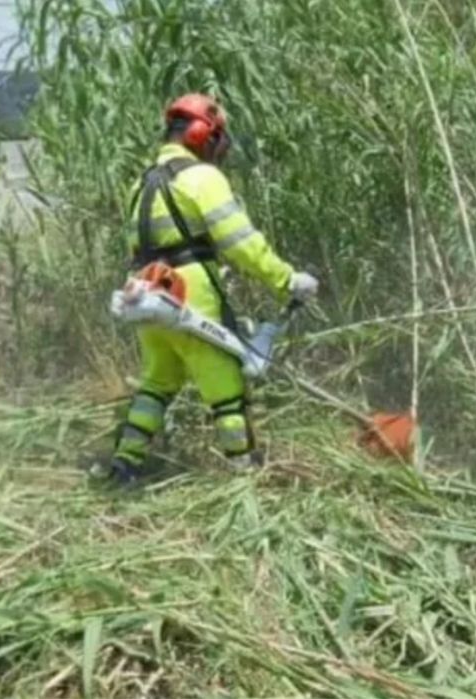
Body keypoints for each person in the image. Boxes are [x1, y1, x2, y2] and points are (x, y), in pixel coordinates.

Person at [93, 93, 319, 487]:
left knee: (157, 383)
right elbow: (241, 242)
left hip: (146, 290)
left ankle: (125, 464)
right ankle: (245, 473)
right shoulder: (201, 178)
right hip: (188, 291)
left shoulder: (140, 183)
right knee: (225, 387)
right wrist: (286, 280)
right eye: (217, 139)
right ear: (202, 134)